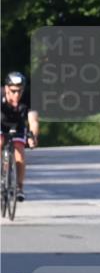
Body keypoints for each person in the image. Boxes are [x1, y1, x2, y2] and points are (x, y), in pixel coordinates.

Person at [1, 72, 40, 201]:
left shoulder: (28, 98)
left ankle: (19, 187)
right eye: (13, 91)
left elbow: (33, 121)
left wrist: (32, 136)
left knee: (20, 152)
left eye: (20, 91)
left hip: (17, 126)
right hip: (1, 124)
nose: (17, 94)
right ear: (6, 88)